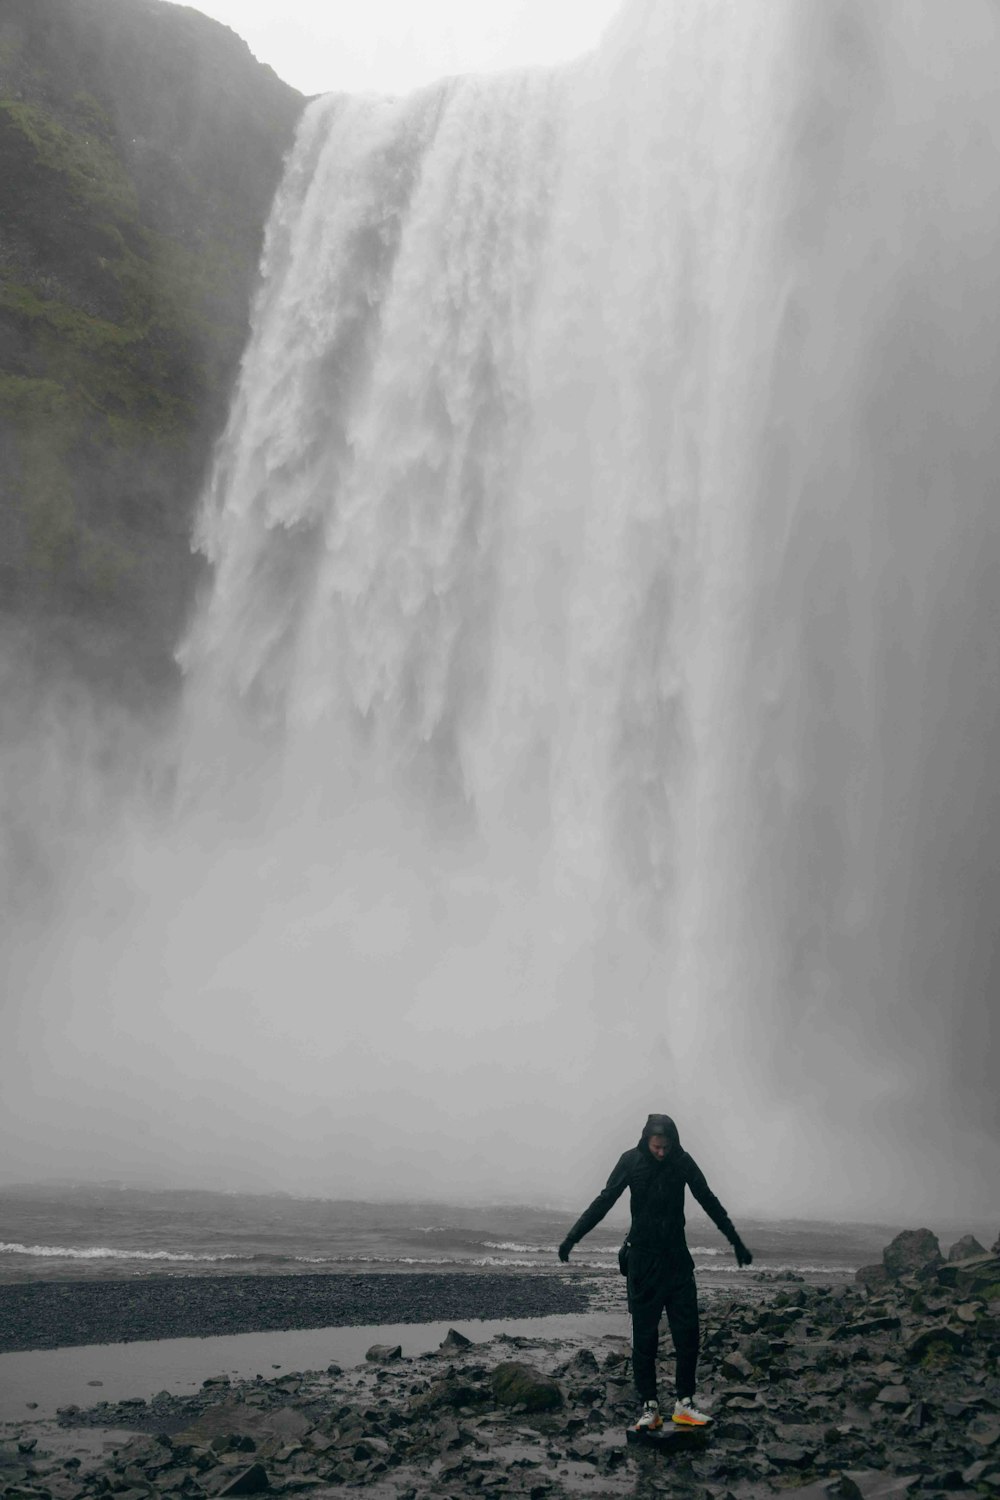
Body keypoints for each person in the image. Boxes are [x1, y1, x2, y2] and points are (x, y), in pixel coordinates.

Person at [557, 1112, 753, 1431]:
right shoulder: (630, 1162)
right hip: (643, 1263)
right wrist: (572, 1237)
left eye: (666, 1147)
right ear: (647, 1141)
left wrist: (736, 1241)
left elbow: (709, 1200)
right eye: (656, 1146)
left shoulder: (683, 1162)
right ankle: (650, 1408)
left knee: (687, 1336)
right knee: (644, 1339)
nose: (661, 1152)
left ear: (674, 1142)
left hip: (677, 1261)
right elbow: (604, 1201)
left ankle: (684, 1404)